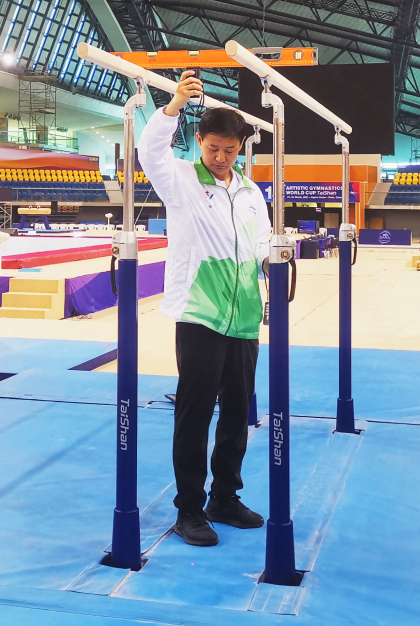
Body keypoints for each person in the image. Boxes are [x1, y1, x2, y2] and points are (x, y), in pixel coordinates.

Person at [138, 70, 271, 547]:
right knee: (195, 414)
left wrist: (272, 267)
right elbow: (150, 152)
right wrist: (173, 106)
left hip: (244, 315)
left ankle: (224, 498)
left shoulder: (251, 192)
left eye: (229, 151)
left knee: (237, 412)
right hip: (200, 313)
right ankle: (190, 509)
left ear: (240, 148)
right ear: (199, 141)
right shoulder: (179, 179)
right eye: (213, 148)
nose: (219, 158)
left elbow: (261, 244)